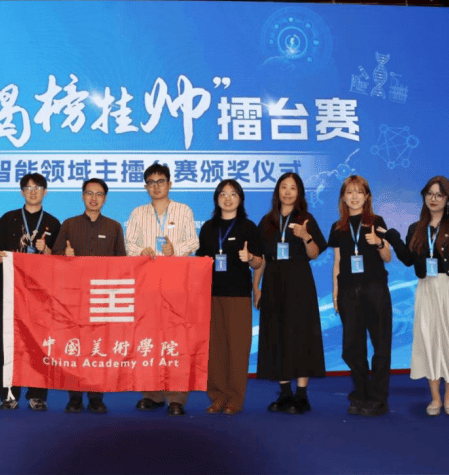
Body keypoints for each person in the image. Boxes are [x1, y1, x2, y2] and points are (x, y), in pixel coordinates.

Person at [380, 176, 449, 416]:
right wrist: (391, 236)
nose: (434, 199)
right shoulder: (416, 228)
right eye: (430, 194)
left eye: (439, 195)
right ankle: (435, 398)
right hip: (426, 289)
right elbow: (407, 259)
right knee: (430, 341)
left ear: (448, 199)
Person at [125, 163, 199, 416]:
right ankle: (152, 394)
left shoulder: (183, 210)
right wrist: (141, 251)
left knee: (176, 340)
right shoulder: (138, 213)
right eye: (151, 182)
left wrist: (175, 249)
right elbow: (129, 245)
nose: (156, 186)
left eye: (161, 181)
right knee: (148, 338)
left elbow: (193, 241)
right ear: (145, 187)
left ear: (170, 184)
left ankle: (176, 397)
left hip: (177, 284)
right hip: (147, 284)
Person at [254, 172, 327, 414]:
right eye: (283, 187)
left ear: (299, 193)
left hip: (299, 282)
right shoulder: (267, 221)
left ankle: (302, 396)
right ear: (277, 191)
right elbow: (261, 258)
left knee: (301, 335)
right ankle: (285, 393)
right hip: (273, 282)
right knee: (276, 335)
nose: (287, 192)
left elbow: (314, 254)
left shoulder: (305, 219)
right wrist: (256, 287)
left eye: (293, 188)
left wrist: (306, 237)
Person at [0, 173, 61, 411]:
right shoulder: (8, 219)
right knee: (8, 342)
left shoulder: (53, 223)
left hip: (41, 295)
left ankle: (37, 394)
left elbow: (60, 261)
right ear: (21, 192)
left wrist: (47, 250)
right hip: (11, 292)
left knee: (40, 343)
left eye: (38, 187)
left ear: (45, 192)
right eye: (28, 188)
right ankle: (8, 393)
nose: (33, 191)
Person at [52, 178, 126, 413]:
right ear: (82, 196)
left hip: (102, 298)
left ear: (105, 198)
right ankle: (74, 397)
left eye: (99, 194)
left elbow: (122, 264)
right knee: (74, 346)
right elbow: (54, 258)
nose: (94, 198)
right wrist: (64, 255)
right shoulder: (69, 224)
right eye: (89, 193)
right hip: (74, 297)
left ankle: (96, 396)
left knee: (98, 347)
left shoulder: (114, 227)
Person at [195, 180, 263, 415]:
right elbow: (200, 262)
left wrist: (250, 258)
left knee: (237, 349)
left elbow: (259, 262)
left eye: (233, 194)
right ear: (216, 198)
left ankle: (234, 398)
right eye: (223, 194)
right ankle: (217, 396)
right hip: (212, 295)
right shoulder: (208, 228)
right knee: (215, 350)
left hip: (238, 295)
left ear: (240, 198)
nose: (228, 198)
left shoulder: (248, 227)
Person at [328, 175, 392, 417]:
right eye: (349, 192)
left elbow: (388, 257)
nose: (354, 197)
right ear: (343, 198)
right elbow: (338, 262)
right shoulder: (338, 227)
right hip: (348, 292)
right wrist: (336, 294)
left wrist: (379, 243)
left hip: (375, 290)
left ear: (367, 197)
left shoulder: (377, 221)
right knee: (352, 348)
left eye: (359, 192)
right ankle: (361, 394)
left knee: (380, 345)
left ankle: (378, 399)